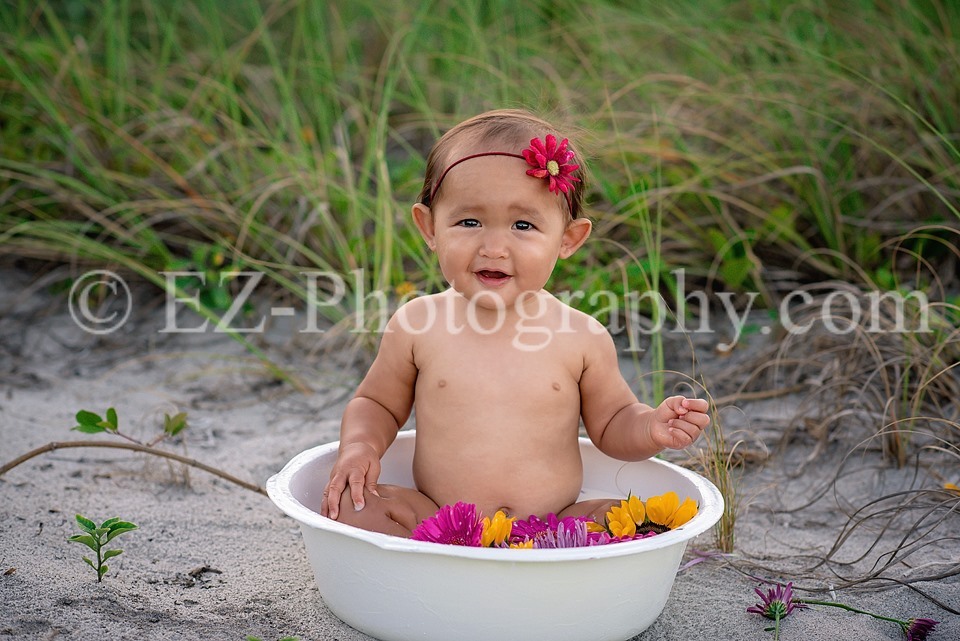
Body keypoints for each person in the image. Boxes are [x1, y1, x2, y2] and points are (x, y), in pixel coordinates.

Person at [320, 108, 710, 537]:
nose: (494, 247)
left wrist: (650, 428)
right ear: (429, 227)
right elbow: (376, 404)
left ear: (568, 239)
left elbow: (613, 423)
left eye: (523, 224)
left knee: (638, 519)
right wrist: (359, 447)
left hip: (554, 523)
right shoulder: (417, 323)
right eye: (469, 222)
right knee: (351, 508)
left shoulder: (581, 337)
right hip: (437, 517)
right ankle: (430, 564)